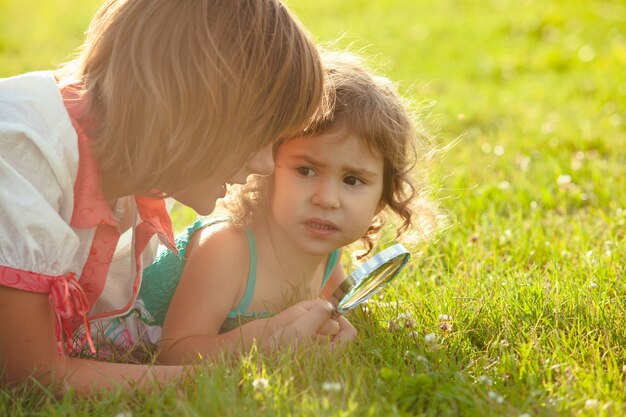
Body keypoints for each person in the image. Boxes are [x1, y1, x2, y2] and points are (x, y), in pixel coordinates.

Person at [0, 0, 350, 394]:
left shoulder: (141, 178)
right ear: (189, 109)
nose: (267, 164)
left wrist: (271, 331)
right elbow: (30, 375)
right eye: (260, 134)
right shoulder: (24, 152)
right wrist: (244, 364)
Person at [97, 52, 437, 364]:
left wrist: (337, 331)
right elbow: (174, 353)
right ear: (266, 171)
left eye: (353, 180)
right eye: (306, 170)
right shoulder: (228, 248)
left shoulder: (328, 254)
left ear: (383, 195)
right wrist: (271, 337)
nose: (327, 198)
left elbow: (331, 319)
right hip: (101, 343)